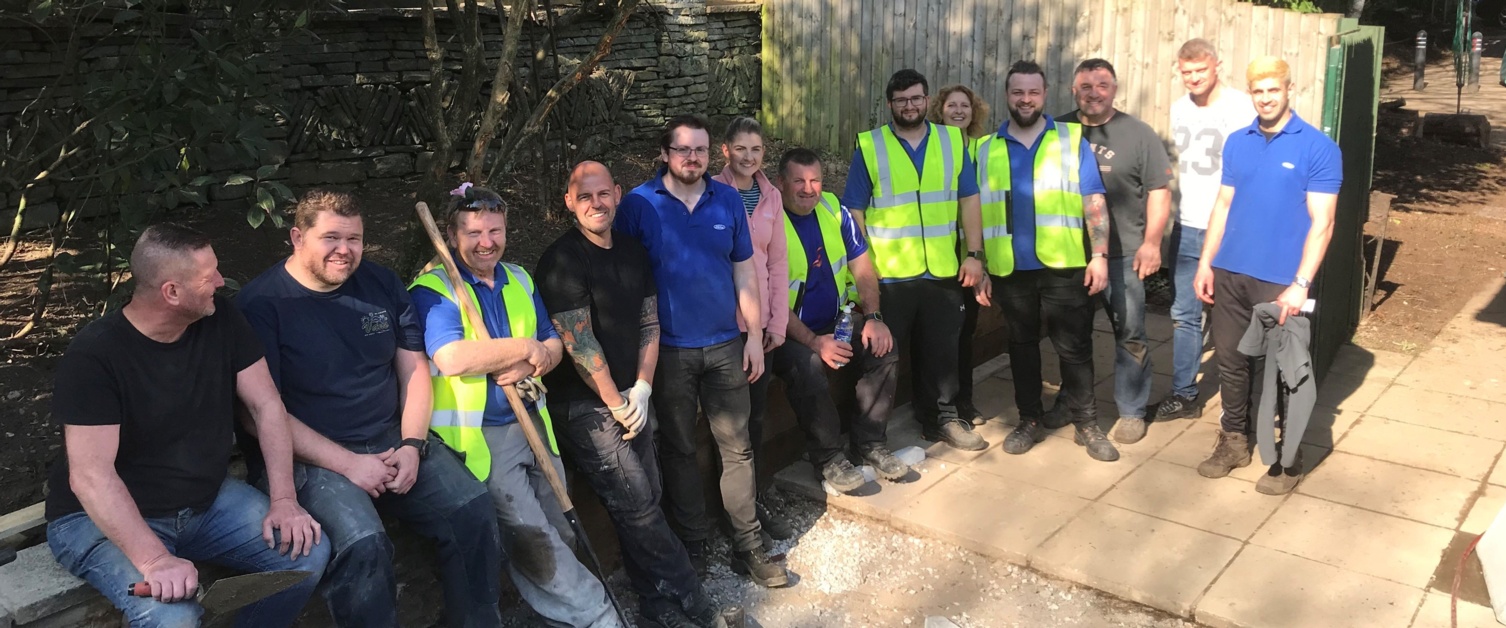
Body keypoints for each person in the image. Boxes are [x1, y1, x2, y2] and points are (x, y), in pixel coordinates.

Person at [236, 190, 502, 628]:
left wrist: (413, 444)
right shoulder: (260, 306)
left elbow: (414, 370)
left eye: (355, 239)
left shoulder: (381, 284)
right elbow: (257, 413)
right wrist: (348, 463)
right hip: (312, 457)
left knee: (472, 511)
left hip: (391, 439)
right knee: (364, 544)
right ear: (297, 237)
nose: (345, 250)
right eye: (331, 238)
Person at [46, 224, 327, 628]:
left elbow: (266, 405)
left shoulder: (220, 318)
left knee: (308, 554)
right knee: (172, 618)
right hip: (98, 520)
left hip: (203, 502)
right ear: (171, 293)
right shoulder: (95, 357)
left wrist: (284, 500)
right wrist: (155, 559)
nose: (220, 280)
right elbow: (91, 477)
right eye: (207, 275)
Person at [410, 183, 623, 627]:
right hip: (482, 440)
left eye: (495, 230)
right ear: (451, 235)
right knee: (533, 537)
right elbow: (451, 358)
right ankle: (600, 617)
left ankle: (566, 616)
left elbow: (553, 345)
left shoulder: (520, 278)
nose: (486, 241)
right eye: (473, 233)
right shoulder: (433, 290)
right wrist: (525, 348)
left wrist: (540, 358)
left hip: (532, 421)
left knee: (562, 525)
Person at [533, 163, 727, 628]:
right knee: (636, 502)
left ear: (618, 194)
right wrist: (614, 402)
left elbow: (648, 322)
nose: (596, 204)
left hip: (631, 396)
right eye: (585, 197)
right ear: (569, 201)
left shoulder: (634, 251)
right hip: (584, 405)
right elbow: (579, 343)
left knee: (649, 494)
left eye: (603, 194)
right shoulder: (562, 260)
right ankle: (693, 596)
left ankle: (655, 604)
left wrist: (641, 388)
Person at [614, 114, 789, 587]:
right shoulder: (638, 206)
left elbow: (745, 271)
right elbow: (625, 281)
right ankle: (692, 543)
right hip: (668, 352)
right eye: (683, 149)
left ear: (713, 154)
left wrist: (753, 334)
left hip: (726, 346)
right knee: (679, 448)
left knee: (738, 447)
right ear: (664, 153)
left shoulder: (727, 199)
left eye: (701, 150)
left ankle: (747, 544)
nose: (692, 158)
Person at [1194, 56, 1341, 494]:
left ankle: (1288, 459)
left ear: (1289, 90)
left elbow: (1324, 223)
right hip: (1231, 272)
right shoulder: (1239, 142)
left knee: (1286, 373)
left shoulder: (1317, 148)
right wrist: (1206, 262)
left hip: (1282, 283)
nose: (1265, 99)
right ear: (1250, 93)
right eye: (1258, 91)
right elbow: (1223, 206)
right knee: (1232, 363)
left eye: (1273, 90)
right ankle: (1235, 441)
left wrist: (1300, 284)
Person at [973, 60, 1118, 463]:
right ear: (1007, 95)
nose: (1025, 99)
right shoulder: (985, 149)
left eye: (1032, 92)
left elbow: (1094, 200)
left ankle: (1086, 422)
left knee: (1074, 349)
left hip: (1064, 265)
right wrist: (979, 264)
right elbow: (975, 213)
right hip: (1010, 270)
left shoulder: (1073, 140)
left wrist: (1100, 255)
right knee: (1020, 348)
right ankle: (1029, 420)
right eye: (1018, 92)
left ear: (1045, 94)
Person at [842, 69, 990, 451]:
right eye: (902, 100)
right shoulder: (870, 146)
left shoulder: (951, 140)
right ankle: (869, 439)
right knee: (881, 360)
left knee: (942, 354)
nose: (910, 105)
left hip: (942, 270)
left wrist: (974, 255)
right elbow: (854, 212)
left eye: (916, 98)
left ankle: (940, 420)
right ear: (890, 104)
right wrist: (862, 273)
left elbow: (969, 200)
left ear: (928, 101)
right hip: (889, 275)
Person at [1058, 59, 1174, 445]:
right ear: (1074, 90)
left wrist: (1152, 242)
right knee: (1069, 335)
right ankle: (1071, 402)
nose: (1094, 92)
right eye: (1086, 86)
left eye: (1102, 85)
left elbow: (1159, 191)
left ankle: (1131, 410)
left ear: (1115, 89)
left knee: (1130, 332)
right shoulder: (1057, 131)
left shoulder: (1138, 134)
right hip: (1067, 254)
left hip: (1124, 253)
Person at [775, 147, 905, 487]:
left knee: (882, 347)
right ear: (780, 183)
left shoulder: (834, 209)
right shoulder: (767, 220)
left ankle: (870, 443)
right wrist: (816, 342)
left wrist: (874, 316)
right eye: (798, 181)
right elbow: (769, 301)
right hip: (786, 332)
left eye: (815, 179)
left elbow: (862, 267)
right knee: (810, 367)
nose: (808, 188)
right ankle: (829, 458)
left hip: (837, 321)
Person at [1154, 38, 1257, 423]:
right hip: (1189, 223)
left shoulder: (1242, 108)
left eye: (1201, 70)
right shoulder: (1180, 110)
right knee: (1184, 313)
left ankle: (1240, 399)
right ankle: (1184, 394)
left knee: (1232, 315)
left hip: (1231, 228)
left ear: (1217, 66)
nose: (1194, 78)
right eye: (1187, 72)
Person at [710, 116, 793, 543]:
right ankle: (727, 512)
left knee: (755, 420)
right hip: (724, 328)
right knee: (729, 425)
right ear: (725, 150)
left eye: (756, 149)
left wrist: (775, 323)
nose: (748, 157)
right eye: (740, 148)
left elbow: (777, 263)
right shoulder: (711, 194)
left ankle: (753, 498)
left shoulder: (772, 197)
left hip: (760, 328)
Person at [927, 83, 993, 426]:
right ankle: (942, 403)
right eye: (951, 105)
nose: (958, 111)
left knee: (967, 329)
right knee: (945, 330)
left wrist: (980, 256)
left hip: (971, 248)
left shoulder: (984, 149)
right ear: (940, 110)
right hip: (939, 247)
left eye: (964, 106)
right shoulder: (932, 147)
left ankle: (964, 400)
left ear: (974, 111)